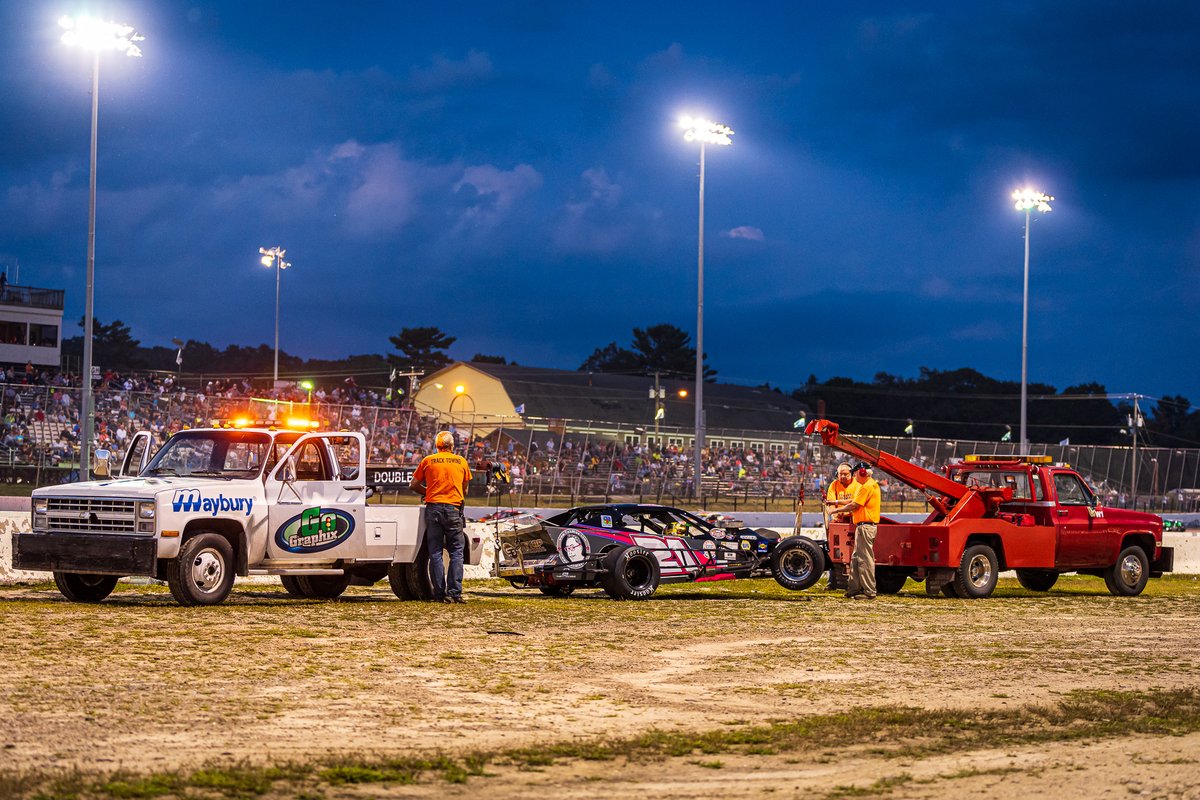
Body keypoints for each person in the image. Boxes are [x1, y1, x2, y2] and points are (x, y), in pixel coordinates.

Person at [410, 430, 472, 603]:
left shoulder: (428, 461)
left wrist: (427, 491)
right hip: (453, 509)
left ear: (437, 446)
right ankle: (455, 592)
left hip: (433, 508)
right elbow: (465, 490)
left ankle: (439, 594)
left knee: (435, 552)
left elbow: (413, 484)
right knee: (456, 552)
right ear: (452, 446)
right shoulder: (461, 461)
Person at [828, 461, 881, 600]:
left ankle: (869, 592)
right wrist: (835, 503)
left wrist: (836, 509)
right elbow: (854, 501)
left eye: (855, 473)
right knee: (856, 559)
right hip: (863, 526)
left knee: (865, 560)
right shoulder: (870, 485)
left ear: (861, 472)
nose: (854, 476)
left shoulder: (866, 487)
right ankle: (853, 589)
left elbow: (854, 505)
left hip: (865, 526)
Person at [821, 462, 857, 590]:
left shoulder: (857, 485)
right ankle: (833, 581)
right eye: (840, 474)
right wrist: (834, 514)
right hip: (839, 522)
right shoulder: (834, 485)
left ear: (851, 474)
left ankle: (854, 581)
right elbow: (830, 503)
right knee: (834, 551)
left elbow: (855, 502)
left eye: (845, 474)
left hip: (853, 521)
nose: (842, 477)